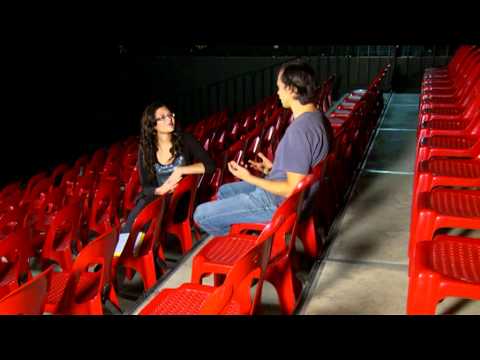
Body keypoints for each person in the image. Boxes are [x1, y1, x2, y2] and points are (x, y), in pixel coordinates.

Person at [193, 60, 331, 236]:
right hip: (295, 198)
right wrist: (273, 168)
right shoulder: (318, 118)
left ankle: (246, 241)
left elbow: (292, 189)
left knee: (200, 215)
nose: (278, 93)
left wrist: (250, 178)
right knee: (224, 191)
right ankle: (245, 229)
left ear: (292, 90)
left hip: (278, 203)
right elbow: (303, 167)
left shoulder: (299, 131)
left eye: (280, 87)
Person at [116, 101, 215, 255]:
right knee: (141, 211)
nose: (169, 119)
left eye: (170, 115)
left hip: (180, 203)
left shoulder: (185, 139)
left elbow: (210, 166)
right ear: (153, 126)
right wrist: (160, 189)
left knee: (144, 215)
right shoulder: (146, 149)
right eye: (162, 117)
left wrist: (181, 170)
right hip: (159, 198)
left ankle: (131, 251)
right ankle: (122, 252)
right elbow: (146, 186)